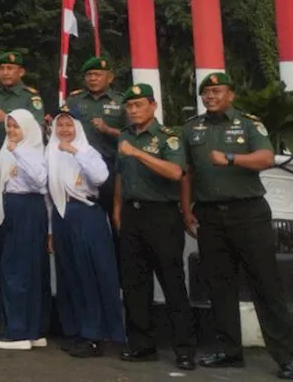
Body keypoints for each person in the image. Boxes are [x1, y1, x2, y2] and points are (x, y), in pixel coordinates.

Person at [184, 72, 293, 380]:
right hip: (209, 216)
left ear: (231, 94)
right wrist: (186, 209)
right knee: (220, 286)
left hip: (248, 214)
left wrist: (232, 158)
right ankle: (229, 351)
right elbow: (188, 172)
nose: (210, 96)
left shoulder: (248, 123)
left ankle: (284, 356)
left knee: (265, 284)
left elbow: (266, 157)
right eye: (206, 92)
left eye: (216, 91)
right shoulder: (192, 128)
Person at [114, 83, 195, 370]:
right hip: (132, 214)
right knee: (135, 284)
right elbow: (121, 177)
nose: (134, 110)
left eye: (139, 105)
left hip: (161, 215)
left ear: (153, 106)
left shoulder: (168, 137)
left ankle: (184, 349)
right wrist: (117, 210)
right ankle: (142, 345)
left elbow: (175, 172)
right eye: (130, 106)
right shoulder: (124, 136)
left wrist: (138, 153)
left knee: (172, 282)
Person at [47, 105, 123, 358]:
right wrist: (50, 228)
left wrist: (75, 151)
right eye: (60, 124)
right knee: (69, 275)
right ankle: (76, 330)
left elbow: (100, 178)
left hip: (85, 213)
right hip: (61, 214)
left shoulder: (87, 150)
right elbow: (48, 191)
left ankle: (97, 334)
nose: (64, 130)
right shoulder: (51, 152)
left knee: (91, 272)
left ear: (77, 128)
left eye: (69, 125)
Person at [0, 111, 50, 351]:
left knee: (19, 270)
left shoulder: (32, 150)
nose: (12, 131)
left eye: (17, 127)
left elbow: (39, 181)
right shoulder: (8, 149)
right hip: (13, 207)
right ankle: (30, 329)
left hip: (27, 207)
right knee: (20, 268)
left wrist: (19, 152)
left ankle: (20, 333)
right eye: (9, 126)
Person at [66, 56, 125, 217]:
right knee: (85, 214)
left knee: (115, 217)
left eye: (98, 74)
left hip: (111, 166)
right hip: (80, 166)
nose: (92, 78)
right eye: (89, 74)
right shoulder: (73, 100)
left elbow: (133, 136)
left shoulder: (122, 102)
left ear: (110, 77)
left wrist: (108, 130)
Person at [0, 52, 46, 156]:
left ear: (21, 72)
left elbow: (38, 131)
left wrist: (6, 119)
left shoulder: (30, 97)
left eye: (9, 68)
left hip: (19, 155)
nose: (5, 73)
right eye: (1, 68)